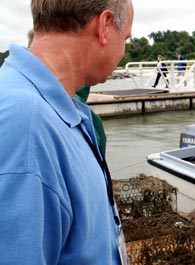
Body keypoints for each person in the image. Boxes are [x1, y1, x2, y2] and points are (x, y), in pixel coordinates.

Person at [0, 1, 134, 264]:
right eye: (126, 37)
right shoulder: (25, 125)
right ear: (105, 25)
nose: (123, 50)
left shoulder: (57, 109)